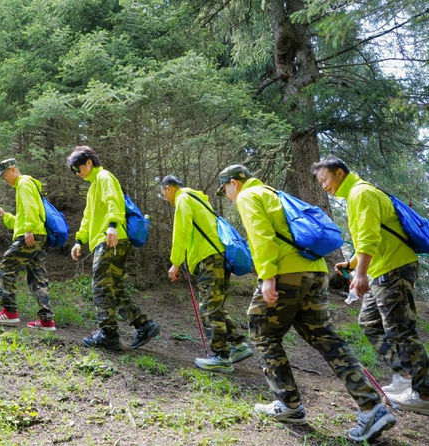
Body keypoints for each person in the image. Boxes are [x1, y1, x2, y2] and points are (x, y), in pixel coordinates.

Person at [217, 164, 396, 441]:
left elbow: (261, 235)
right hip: (315, 271)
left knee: (262, 332)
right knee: (325, 337)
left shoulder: (248, 196)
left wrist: (267, 276)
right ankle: (371, 407)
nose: (227, 195)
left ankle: (289, 405)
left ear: (233, 183)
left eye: (225, 189)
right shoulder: (274, 193)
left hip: (287, 272)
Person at [313, 155, 429, 415]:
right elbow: (367, 239)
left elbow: (369, 238)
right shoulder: (356, 194)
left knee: (402, 330)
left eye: (325, 179)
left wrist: (361, 274)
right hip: (383, 269)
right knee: (370, 322)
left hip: (394, 268)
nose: (323, 186)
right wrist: (353, 265)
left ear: (340, 173)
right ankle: (404, 376)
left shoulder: (360, 192)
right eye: (319, 182)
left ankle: (424, 392)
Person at [68, 146, 160, 351]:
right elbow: (87, 217)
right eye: (74, 171)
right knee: (114, 288)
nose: (77, 173)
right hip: (109, 239)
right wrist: (79, 240)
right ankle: (144, 325)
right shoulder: (93, 187)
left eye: (78, 168)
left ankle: (108, 334)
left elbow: (114, 201)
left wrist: (112, 225)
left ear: (89, 162)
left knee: (100, 287)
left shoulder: (104, 177)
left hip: (111, 239)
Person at [160, 175, 253, 373]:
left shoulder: (183, 198)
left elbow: (181, 231)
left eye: (164, 194)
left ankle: (221, 357)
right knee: (214, 306)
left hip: (209, 259)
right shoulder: (199, 200)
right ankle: (238, 345)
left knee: (209, 308)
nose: (166, 199)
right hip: (218, 257)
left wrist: (175, 263)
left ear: (168, 189)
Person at [0, 158, 56, 331]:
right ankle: (47, 320)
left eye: (4, 175)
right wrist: (6, 216)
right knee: (37, 277)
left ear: (12, 169)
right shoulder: (27, 185)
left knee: (6, 266)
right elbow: (22, 219)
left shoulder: (23, 183)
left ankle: (9, 312)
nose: (5, 179)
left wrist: (29, 229)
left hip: (31, 236)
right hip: (39, 236)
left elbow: (30, 209)